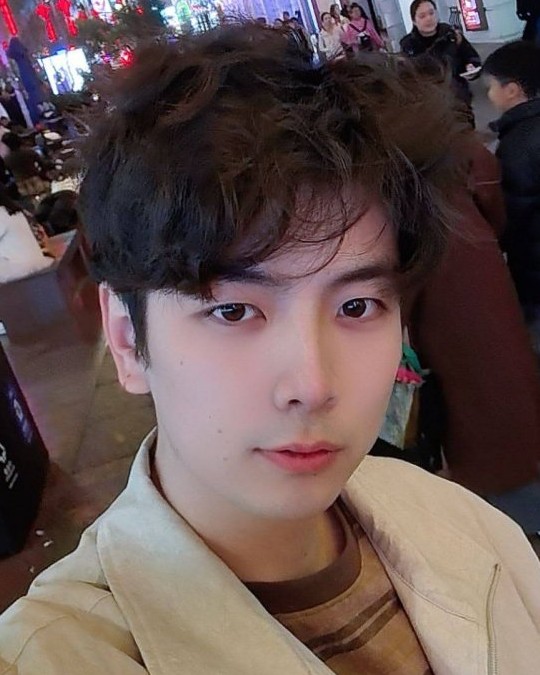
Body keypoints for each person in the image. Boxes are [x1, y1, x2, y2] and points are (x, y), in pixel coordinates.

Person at [0, 24, 539, 674]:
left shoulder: (462, 520)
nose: (312, 385)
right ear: (127, 338)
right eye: (232, 310)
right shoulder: (54, 654)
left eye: (356, 307)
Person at [484, 40, 540, 356]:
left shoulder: (516, 146)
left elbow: (513, 218)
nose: (489, 95)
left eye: (492, 87)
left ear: (512, 90)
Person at [400, 0, 481, 104]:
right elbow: (407, 77)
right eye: (422, 16)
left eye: (431, 13)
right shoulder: (408, 45)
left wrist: (471, 67)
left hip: (459, 99)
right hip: (429, 103)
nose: (429, 18)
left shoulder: (451, 35)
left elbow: (471, 57)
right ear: (414, 21)